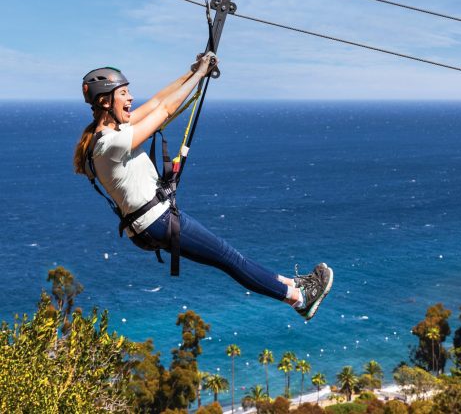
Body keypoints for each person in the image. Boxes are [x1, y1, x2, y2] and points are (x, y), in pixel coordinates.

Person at [73, 54, 333, 320]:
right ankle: (299, 299)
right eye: (124, 94)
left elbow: (157, 101)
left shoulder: (103, 136)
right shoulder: (110, 144)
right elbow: (164, 110)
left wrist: (193, 72)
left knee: (229, 259)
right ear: (105, 102)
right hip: (159, 221)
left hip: (149, 225)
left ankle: (295, 285)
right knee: (232, 260)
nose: (130, 99)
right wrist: (199, 75)